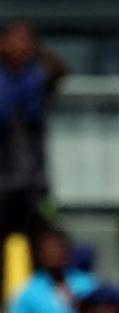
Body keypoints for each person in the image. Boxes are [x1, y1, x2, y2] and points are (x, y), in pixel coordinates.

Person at [0, 21, 67, 291]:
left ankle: (38, 305)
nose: (20, 46)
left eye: (25, 41)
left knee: (39, 244)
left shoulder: (37, 80)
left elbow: (61, 70)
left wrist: (38, 51)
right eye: (14, 40)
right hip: (2, 180)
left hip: (34, 181)